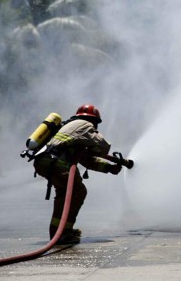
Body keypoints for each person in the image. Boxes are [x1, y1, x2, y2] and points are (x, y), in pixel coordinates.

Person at [33, 104, 122, 244]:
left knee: (66, 193)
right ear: (94, 120)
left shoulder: (71, 127)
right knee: (77, 191)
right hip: (57, 162)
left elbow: (85, 160)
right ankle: (63, 232)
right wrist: (95, 148)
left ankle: (60, 232)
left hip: (45, 161)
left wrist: (109, 168)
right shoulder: (85, 124)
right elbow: (104, 146)